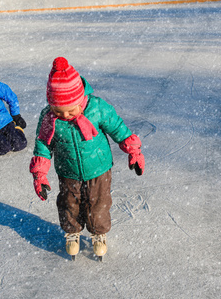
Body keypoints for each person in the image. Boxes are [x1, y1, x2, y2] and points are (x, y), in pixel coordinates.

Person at [29, 57, 145, 261]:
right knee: (69, 203)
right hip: (67, 171)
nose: (65, 114)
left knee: (98, 203)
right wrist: (40, 174)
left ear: (80, 97)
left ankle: (98, 233)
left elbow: (118, 128)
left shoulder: (97, 108)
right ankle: (72, 232)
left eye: (71, 109)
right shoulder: (49, 117)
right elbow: (43, 146)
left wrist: (133, 151)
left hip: (99, 168)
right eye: (59, 110)